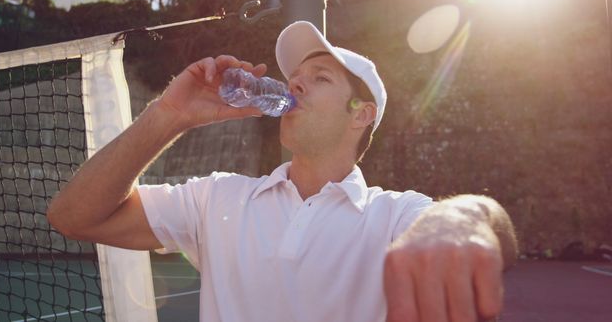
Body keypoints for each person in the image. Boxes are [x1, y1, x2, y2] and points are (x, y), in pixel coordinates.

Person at [47, 21, 517, 322]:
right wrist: (169, 115)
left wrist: (460, 218)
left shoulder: (393, 216)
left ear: (361, 114)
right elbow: (73, 217)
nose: (295, 83)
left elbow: (489, 228)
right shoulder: (217, 198)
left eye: (321, 77)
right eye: (296, 76)